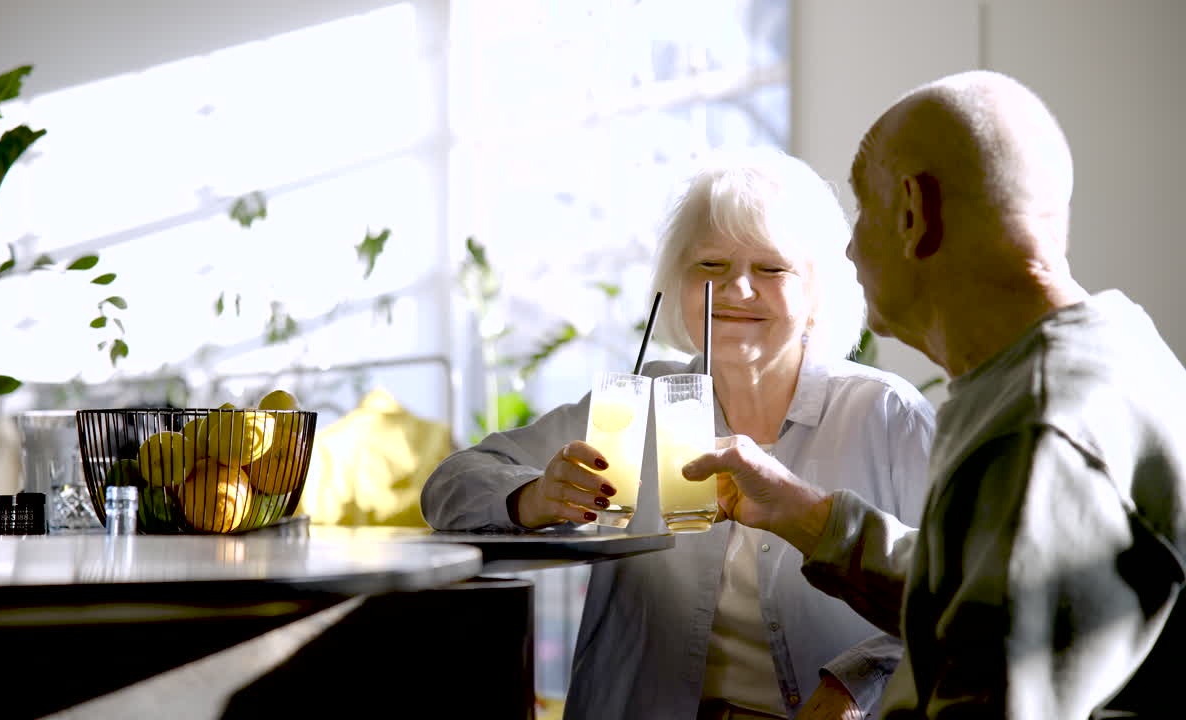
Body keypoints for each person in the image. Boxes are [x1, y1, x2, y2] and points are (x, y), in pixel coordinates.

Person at [683, 70, 1186, 719]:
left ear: (914, 215)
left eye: (863, 210)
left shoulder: (1035, 430)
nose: (849, 246)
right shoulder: (1115, 345)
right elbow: (988, 592)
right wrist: (805, 517)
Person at [421, 146, 936, 719]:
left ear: (817, 294)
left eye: (771, 269)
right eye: (711, 266)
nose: (737, 290)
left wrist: (856, 682)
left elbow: (956, 598)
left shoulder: (886, 415)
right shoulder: (633, 404)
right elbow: (450, 484)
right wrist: (532, 495)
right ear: (678, 286)